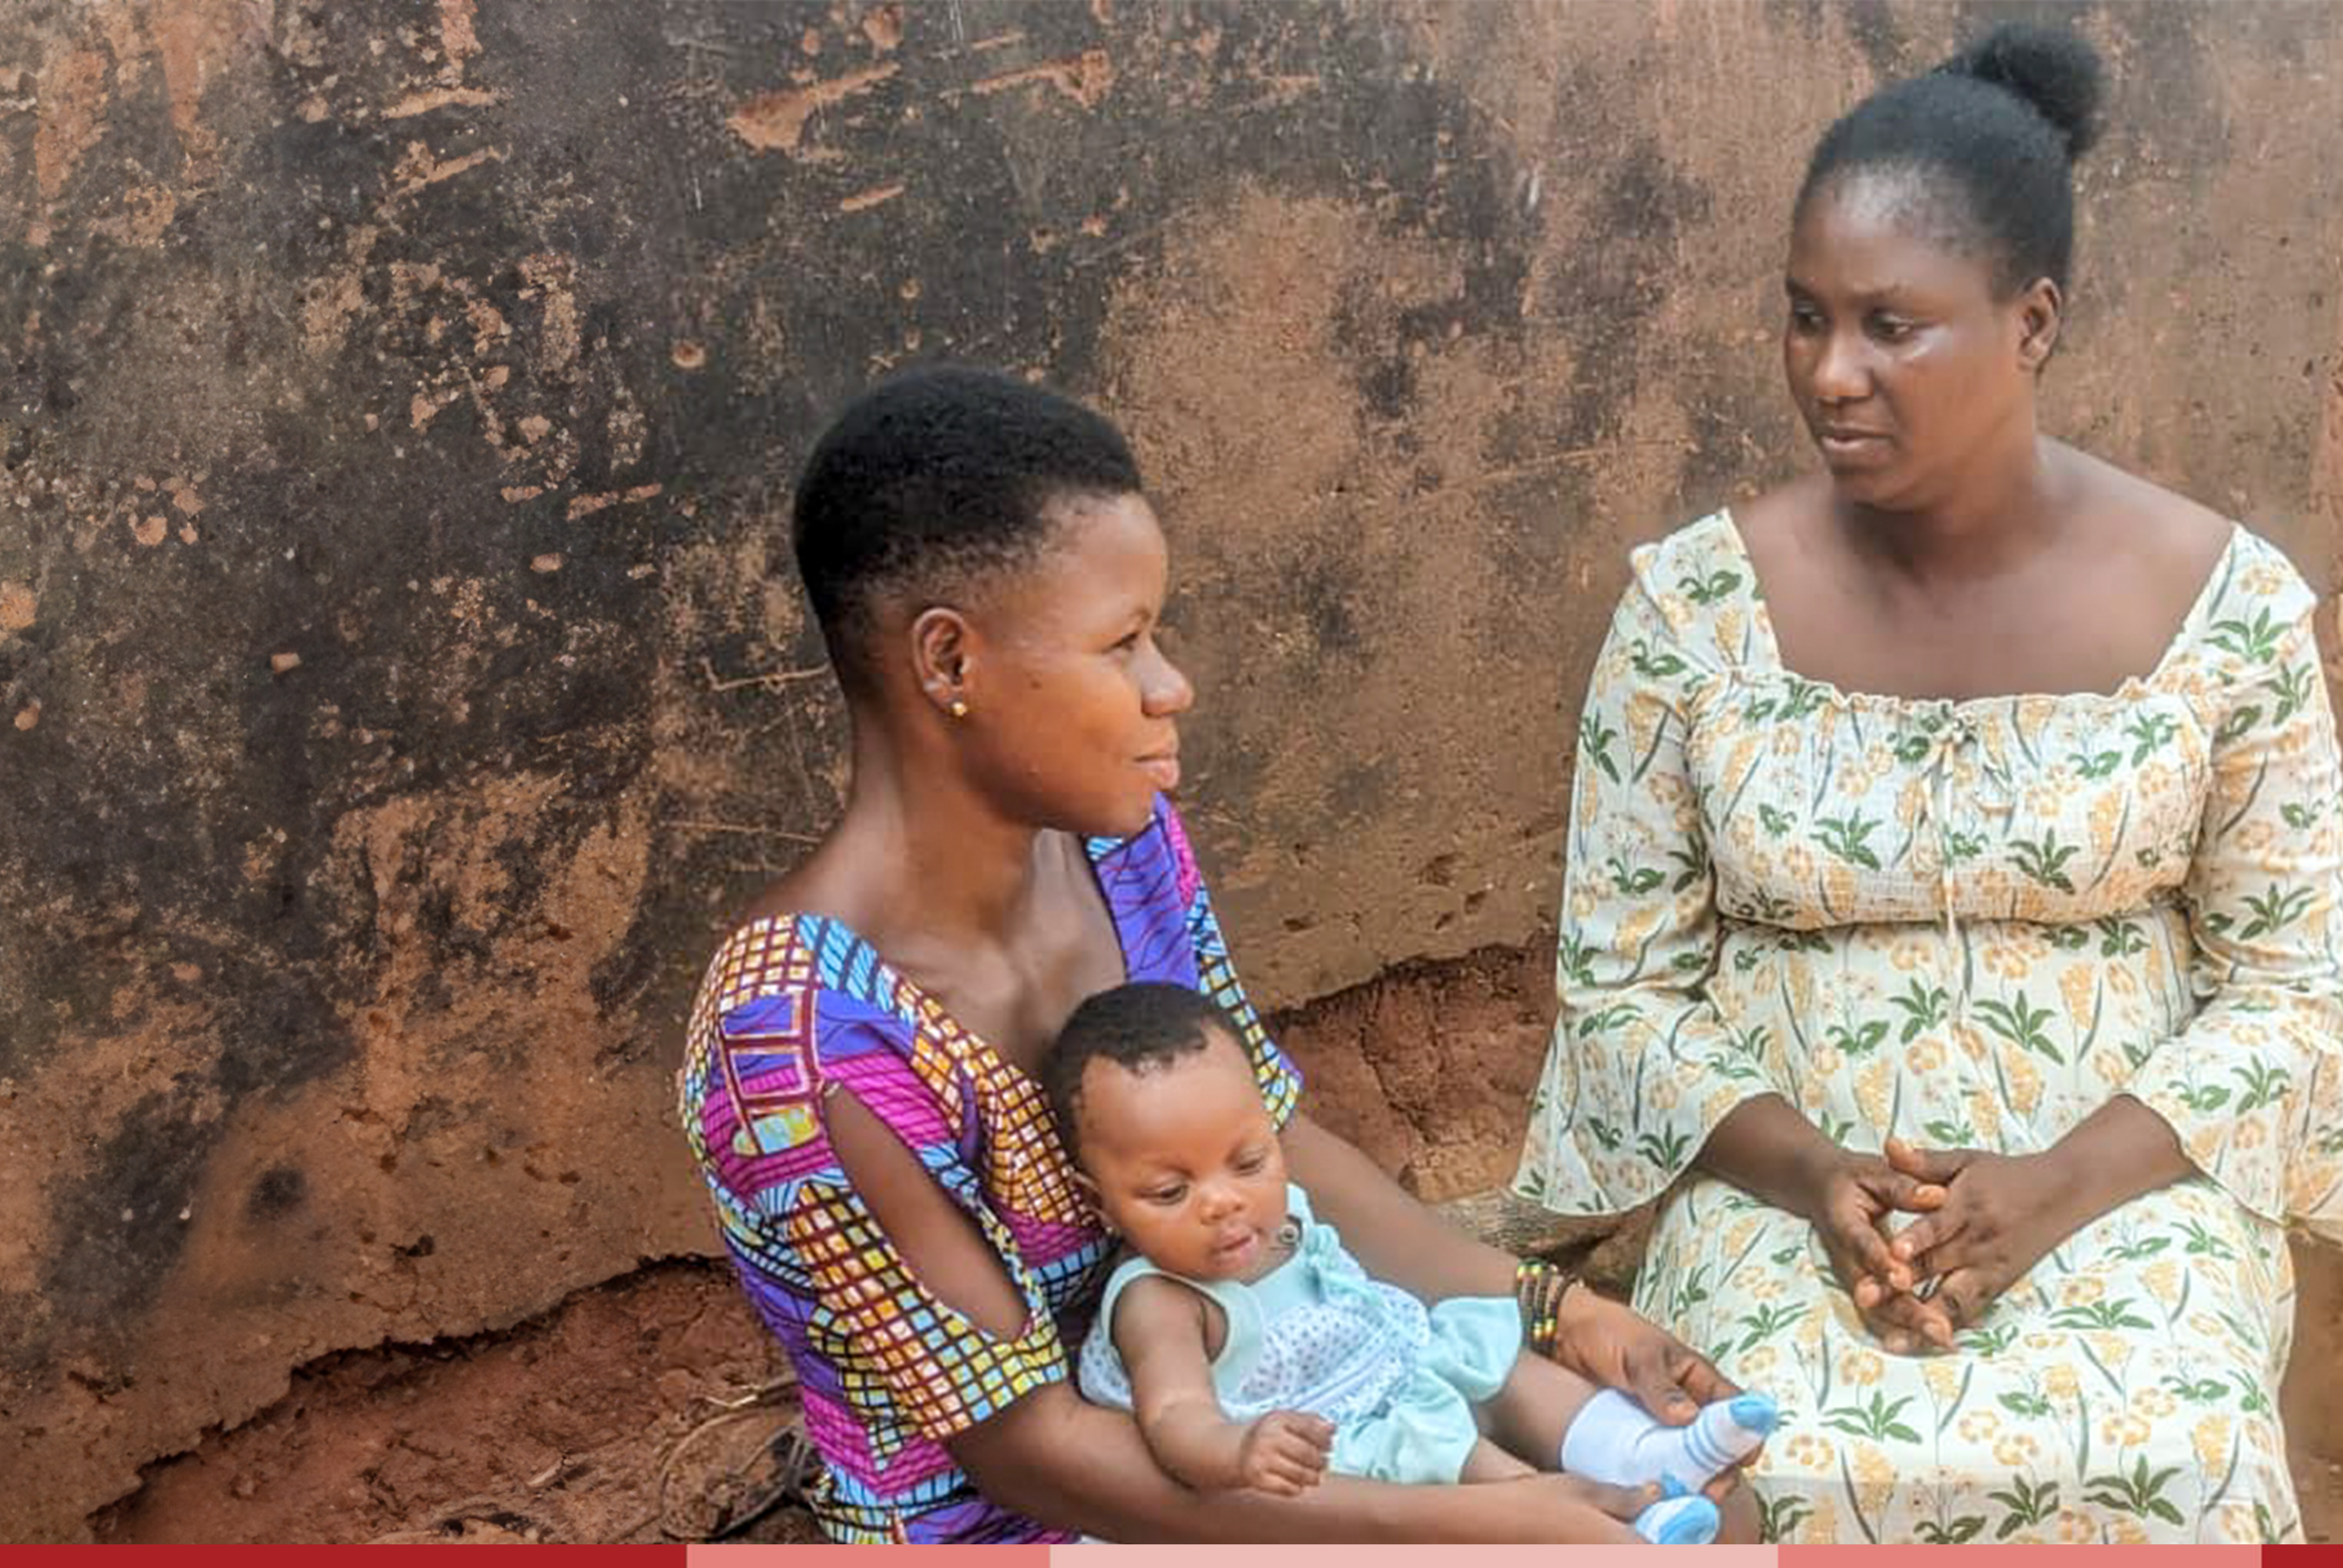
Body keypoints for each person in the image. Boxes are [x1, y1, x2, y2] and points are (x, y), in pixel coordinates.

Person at [1516, 21, 2343, 1545]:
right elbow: (1619, 993)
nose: (1830, 373)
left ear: (2033, 320)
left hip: (2124, 1165)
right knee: (1757, 1457)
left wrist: (2058, 1184)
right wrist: (1814, 1175)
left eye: (1890, 324)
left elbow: (2289, 990)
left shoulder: (2227, 609)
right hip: (1782, 1154)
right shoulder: (1691, 614)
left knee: (2166, 1443)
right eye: (1805, 318)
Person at [676, 366, 1758, 1543]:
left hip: (1283, 1412)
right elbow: (1034, 1452)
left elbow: (1275, 1139)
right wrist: (1478, 1526)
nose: (1169, 684)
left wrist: (1563, 1308)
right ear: (949, 663)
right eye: (1123, 641)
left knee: (1709, 1500)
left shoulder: (1123, 853)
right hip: (1045, 1530)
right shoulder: (796, 1041)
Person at [1043, 980, 1778, 1543]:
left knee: (1500, 1361)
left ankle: (1650, 1454)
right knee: (1454, 1446)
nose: (1223, 1202)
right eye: (1172, 1190)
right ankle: (1614, 1522)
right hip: (1334, 1455)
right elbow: (1175, 1416)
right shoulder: (1161, 1299)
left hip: (1394, 1371)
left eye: (1248, 1159)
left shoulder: (1289, 1210)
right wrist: (1238, 1450)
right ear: (1101, 1203)